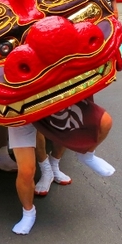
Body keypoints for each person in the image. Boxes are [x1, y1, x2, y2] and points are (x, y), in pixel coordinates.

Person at [8, 96, 114, 235]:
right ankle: (29, 212)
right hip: (21, 105)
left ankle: (77, 158)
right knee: (26, 171)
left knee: (104, 121)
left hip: (54, 96)